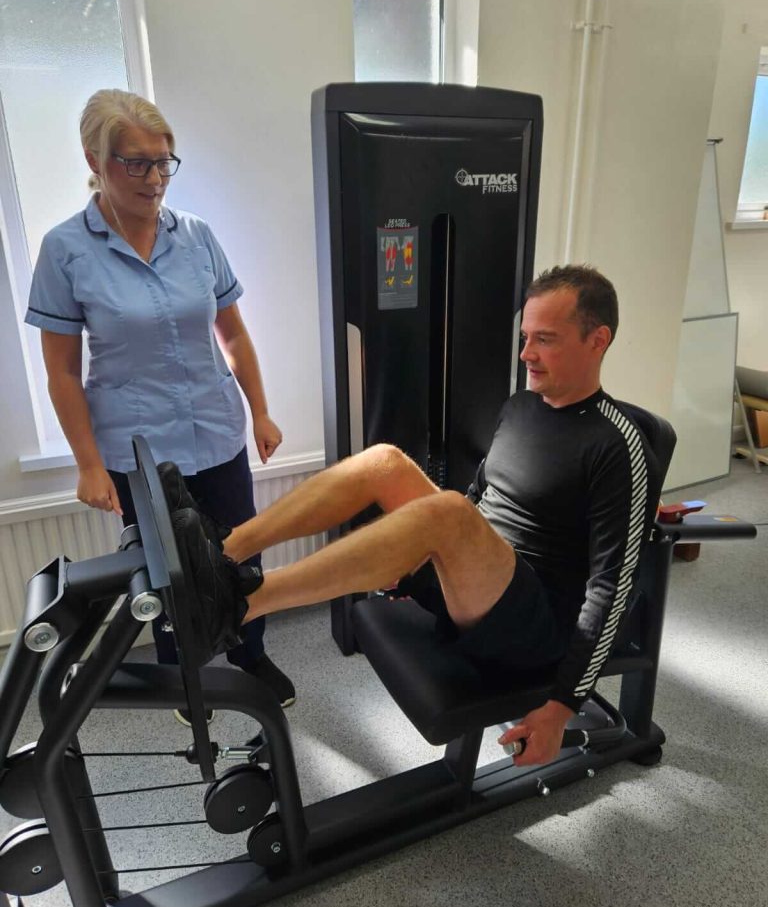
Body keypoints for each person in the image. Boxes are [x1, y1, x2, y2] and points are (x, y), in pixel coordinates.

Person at [168, 265, 659, 765]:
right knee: (386, 461)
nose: (526, 354)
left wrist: (560, 707)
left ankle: (235, 607)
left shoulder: (617, 445)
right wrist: (417, 558)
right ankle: (223, 552)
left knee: (447, 512)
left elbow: (612, 589)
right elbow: (481, 496)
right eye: (525, 337)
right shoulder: (522, 406)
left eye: (545, 340)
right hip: (477, 585)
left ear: (598, 340)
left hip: (536, 630)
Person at [25, 88, 295, 719]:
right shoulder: (66, 250)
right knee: (168, 571)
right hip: (137, 449)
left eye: (164, 162)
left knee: (240, 549)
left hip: (216, 431)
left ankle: (250, 653)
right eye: (135, 163)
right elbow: (62, 372)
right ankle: (183, 677)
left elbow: (233, 332)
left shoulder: (196, 235)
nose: (154, 179)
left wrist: (260, 409)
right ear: (94, 159)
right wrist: (88, 463)